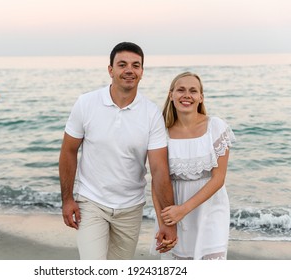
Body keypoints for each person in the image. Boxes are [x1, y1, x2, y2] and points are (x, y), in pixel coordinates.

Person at [58, 42, 177, 260]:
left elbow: (159, 170)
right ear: (110, 70)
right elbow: (68, 151)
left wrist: (168, 223)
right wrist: (67, 200)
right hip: (91, 202)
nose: (129, 70)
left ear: (142, 72)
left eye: (136, 65)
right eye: (122, 64)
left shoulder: (151, 114)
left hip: (131, 207)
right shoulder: (86, 103)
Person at [152, 72, 235, 260]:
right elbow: (156, 182)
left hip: (210, 208)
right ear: (171, 95)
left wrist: (183, 209)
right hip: (173, 210)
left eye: (193, 91)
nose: (187, 95)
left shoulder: (216, 127)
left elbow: (219, 179)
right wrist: (164, 221)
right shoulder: (161, 133)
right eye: (180, 90)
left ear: (201, 97)